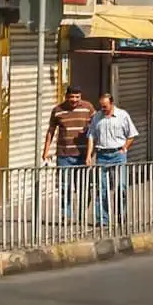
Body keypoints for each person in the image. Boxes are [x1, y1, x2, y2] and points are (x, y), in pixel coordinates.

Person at [86, 90, 140, 226]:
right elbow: (91, 136)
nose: (103, 109)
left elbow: (132, 134)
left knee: (120, 186)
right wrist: (89, 155)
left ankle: (121, 214)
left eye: (105, 106)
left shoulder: (122, 115)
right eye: (101, 106)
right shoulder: (97, 117)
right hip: (102, 155)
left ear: (111, 104)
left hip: (118, 155)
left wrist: (124, 148)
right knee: (101, 188)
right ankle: (102, 219)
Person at [43, 88, 95, 220]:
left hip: (82, 155)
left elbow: (96, 128)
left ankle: (82, 213)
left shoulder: (88, 108)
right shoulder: (57, 110)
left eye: (77, 97)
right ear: (66, 96)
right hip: (64, 155)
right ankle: (66, 215)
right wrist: (46, 151)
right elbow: (51, 131)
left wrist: (92, 152)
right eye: (72, 97)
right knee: (64, 187)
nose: (74, 100)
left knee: (83, 187)